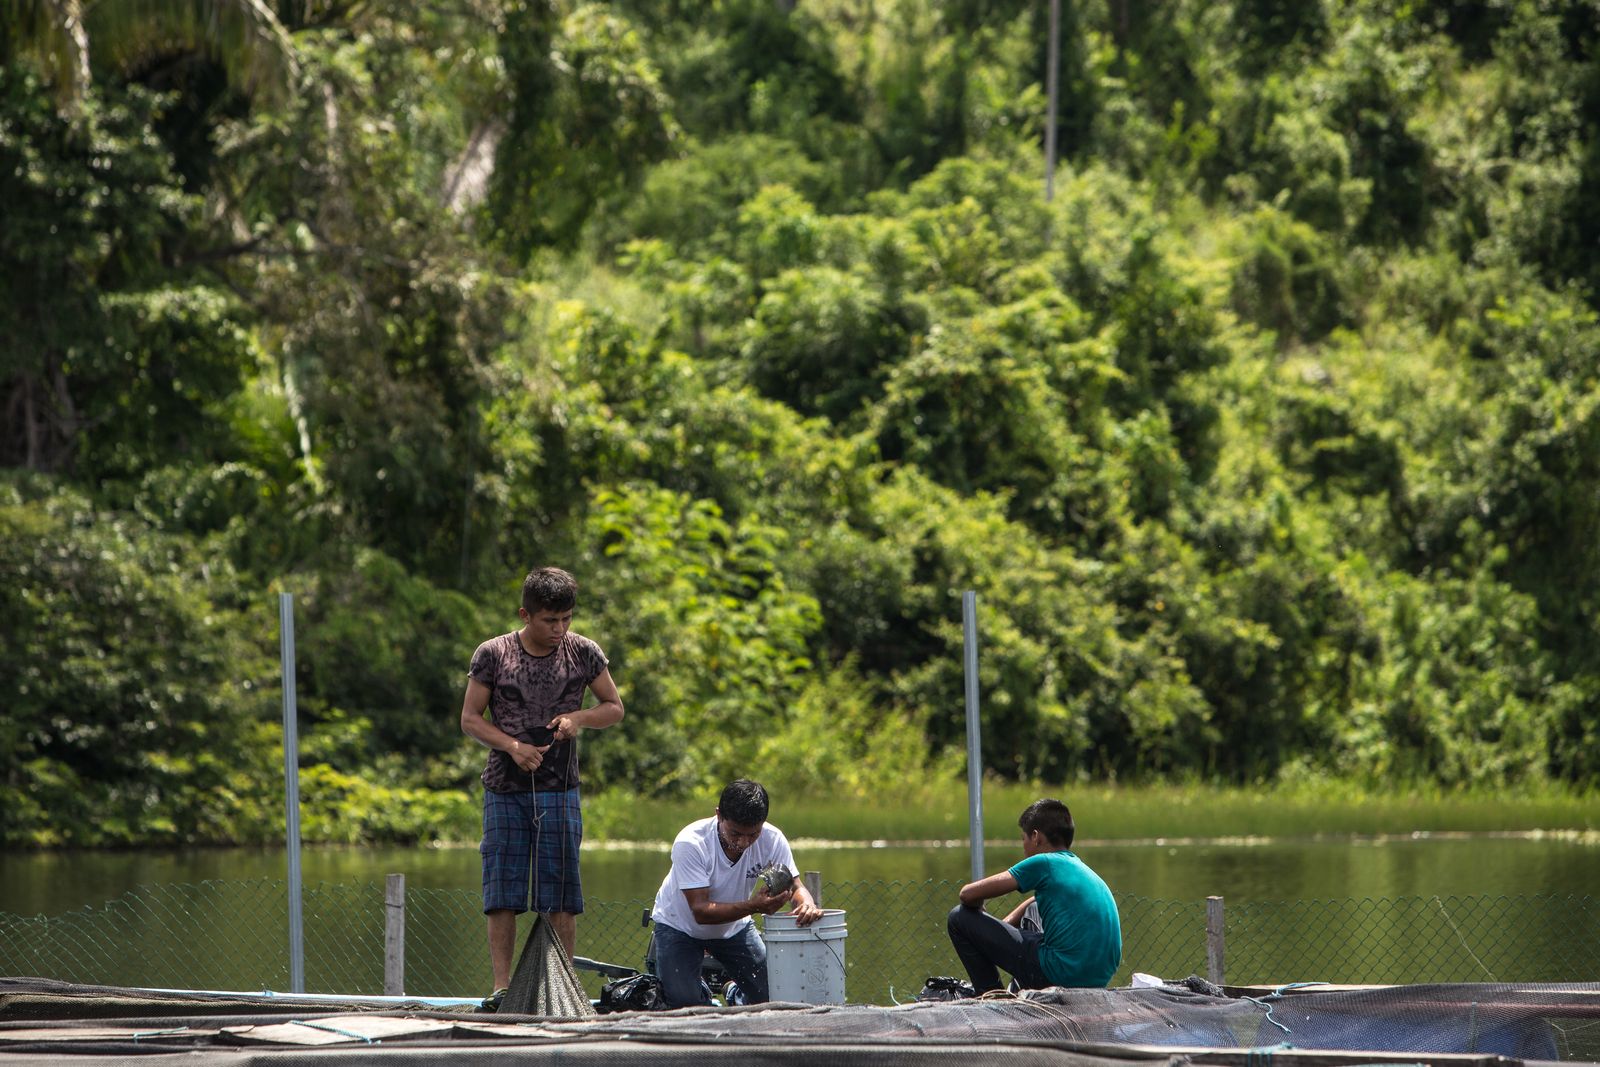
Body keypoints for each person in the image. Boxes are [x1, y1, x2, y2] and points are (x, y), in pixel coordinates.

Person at [460, 566, 624, 1008]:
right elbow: (470, 719)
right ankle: (501, 988)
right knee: (503, 894)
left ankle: (562, 989)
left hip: (560, 787)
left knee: (561, 894)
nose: (560, 629)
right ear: (526, 614)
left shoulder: (584, 652)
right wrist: (513, 747)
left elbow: (613, 707)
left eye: (567, 618)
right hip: (504, 788)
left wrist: (578, 719)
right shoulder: (493, 654)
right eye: (551, 620)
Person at [649, 778, 824, 1007]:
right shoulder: (691, 842)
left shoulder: (772, 839)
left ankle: (733, 993)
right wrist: (755, 906)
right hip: (680, 927)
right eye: (735, 834)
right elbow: (700, 912)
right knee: (685, 1005)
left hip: (734, 928)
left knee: (775, 995)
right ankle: (699, 990)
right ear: (719, 815)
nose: (743, 842)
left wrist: (806, 904)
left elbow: (795, 886)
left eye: (753, 834)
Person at [947, 798, 1121, 992]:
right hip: (1097, 977)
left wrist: (980, 917)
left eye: (1024, 838)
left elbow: (967, 894)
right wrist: (998, 930)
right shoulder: (1080, 869)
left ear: (1036, 837)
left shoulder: (1043, 862)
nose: (1023, 846)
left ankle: (992, 996)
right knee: (1033, 908)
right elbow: (1034, 901)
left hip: (1062, 973)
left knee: (958, 917)